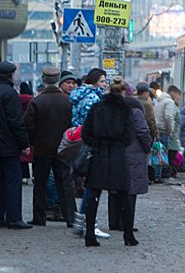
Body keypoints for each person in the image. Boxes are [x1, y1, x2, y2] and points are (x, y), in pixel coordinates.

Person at [81, 77, 137, 247]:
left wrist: (96, 143)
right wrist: (119, 145)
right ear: (122, 92)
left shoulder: (97, 107)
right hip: (118, 155)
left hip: (99, 154)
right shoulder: (125, 110)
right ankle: (128, 236)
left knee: (94, 194)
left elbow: (85, 132)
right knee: (124, 196)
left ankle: (90, 235)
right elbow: (130, 136)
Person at [24, 66, 76, 228]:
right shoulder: (68, 101)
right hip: (63, 149)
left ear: (43, 80)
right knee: (65, 183)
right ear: (58, 80)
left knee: (40, 183)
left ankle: (39, 217)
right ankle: (70, 217)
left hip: (42, 148)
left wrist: (33, 142)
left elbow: (29, 126)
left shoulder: (37, 101)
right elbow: (73, 125)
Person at [0, 61, 32, 229]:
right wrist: (24, 142)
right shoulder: (9, 93)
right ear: (11, 74)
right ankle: (14, 218)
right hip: (9, 144)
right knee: (13, 181)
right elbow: (16, 121)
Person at [69, 68, 109, 238]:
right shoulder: (94, 98)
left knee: (89, 185)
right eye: (102, 81)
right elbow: (94, 124)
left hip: (80, 140)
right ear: (94, 82)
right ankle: (88, 224)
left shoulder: (80, 95)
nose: (105, 84)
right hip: (90, 144)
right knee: (92, 186)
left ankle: (81, 222)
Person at [109, 85, 151, 231]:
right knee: (130, 190)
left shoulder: (111, 111)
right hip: (133, 154)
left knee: (114, 190)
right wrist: (147, 148)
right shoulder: (135, 111)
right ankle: (125, 223)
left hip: (114, 153)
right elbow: (143, 131)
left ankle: (113, 222)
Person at [153, 85, 182, 183]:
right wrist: (170, 130)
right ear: (173, 93)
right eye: (177, 95)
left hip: (158, 129)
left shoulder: (159, 100)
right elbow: (169, 117)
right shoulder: (169, 101)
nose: (178, 97)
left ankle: (157, 175)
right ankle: (160, 176)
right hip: (164, 131)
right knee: (162, 155)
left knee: (158, 154)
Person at [19, 82, 34, 184]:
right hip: (31, 128)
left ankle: (24, 176)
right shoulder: (33, 101)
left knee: (23, 156)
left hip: (22, 127)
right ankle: (34, 176)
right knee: (34, 154)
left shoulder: (17, 100)